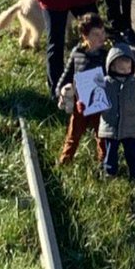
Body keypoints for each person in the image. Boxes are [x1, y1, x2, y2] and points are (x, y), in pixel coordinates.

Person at [56, 13, 107, 166]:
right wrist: (60, 90)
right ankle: (65, 161)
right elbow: (67, 74)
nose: (101, 37)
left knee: (102, 135)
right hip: (81, 102)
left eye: (103, 32)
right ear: (85, 36)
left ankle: (104, 163)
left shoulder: (106, 55)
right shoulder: (77, 53)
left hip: (100, 102)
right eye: (96, 34)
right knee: (74, 133)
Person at [98, 43, 135, 180]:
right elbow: (94, 100)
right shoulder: (104, 83)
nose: (126, 71)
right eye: (122, 68)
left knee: (132, 153)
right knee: (110, 153)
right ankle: (109, 173)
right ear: (112, 66)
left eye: (128, 68)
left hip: (129, 128)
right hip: (110, 126)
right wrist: (84, 105)